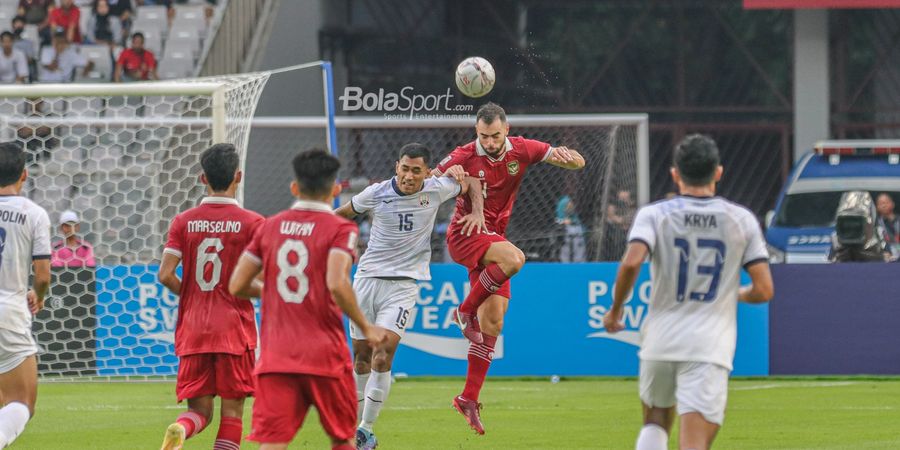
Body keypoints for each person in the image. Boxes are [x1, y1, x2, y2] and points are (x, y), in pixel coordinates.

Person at [602, 134, 774, 450]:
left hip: (660, 339)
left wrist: (616, 309)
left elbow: (631, 262)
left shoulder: (654, 214)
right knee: (694, 443)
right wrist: (735, 293)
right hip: (708, 345)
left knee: (655, 421)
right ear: (718, 173)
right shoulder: (741, 219)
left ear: (675, 174)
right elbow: (764, 290)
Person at [432, 102, 585, 434]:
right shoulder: (463, 155)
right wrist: (448, 175)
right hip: (465, 235)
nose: (489, 142)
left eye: (495, 135)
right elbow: (430, 179)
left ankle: (468, 398)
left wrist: (569, 159)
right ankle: (463, 310)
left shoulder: (522, 150)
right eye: (484, 136)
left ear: (507, 129)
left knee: (494, 322)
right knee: (515, 259)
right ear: (477, 132)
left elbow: (574, 160)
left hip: (492, 240)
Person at [229, 149, 388, 450]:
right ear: (336, 189)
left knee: (273, 443)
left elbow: (237, 284)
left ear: (294, 187)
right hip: (324, 355)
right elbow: (337, 282)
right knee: (343, 439)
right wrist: (366, 328)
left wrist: (274, 291)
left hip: (277, 357)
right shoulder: (341, 228)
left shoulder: (268, 226)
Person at [334, 143, 483, 449]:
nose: (410, 176)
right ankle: (353, 429)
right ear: (396, 167)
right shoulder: (376, 192)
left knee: (384, 349)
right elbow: (343, 214)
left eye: (417, 170)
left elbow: (472, 182)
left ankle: (366, 428)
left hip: (403, 286)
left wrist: (471, 196)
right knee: (361, 358)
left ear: (427, 173)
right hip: (366, 281)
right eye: (405, 168)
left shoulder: (437, 189)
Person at [156, 143, 264, 450]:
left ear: (203, 178)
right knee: (232, 413)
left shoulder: (183, 221)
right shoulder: (254, 223)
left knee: (198, 412)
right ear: (238, 176)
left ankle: (180, 427)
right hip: (234, 329)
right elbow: (260, 279)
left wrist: (190, 294)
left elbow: (164, 275)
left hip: (193, 329)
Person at [0, 141, 51, 448]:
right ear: (25, 175)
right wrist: (38, 293)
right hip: (9, 311)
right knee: (21, 402)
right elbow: (43, 274)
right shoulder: (33, 213)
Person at [555, 194, 585, 262]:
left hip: (579, 255)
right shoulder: (558, 221)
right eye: (567, 206)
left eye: (571, 205)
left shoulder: (577, 221)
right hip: (565, 256)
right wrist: (563, 222)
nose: (570, 207)